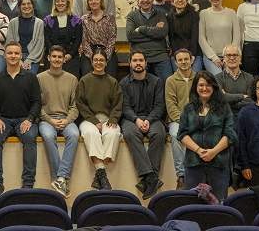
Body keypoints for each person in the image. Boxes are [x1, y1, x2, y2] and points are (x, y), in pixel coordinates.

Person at [0, 41, 42, 201]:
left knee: (31, 137)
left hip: (24, 119)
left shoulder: (31, 78)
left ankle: (28, 183)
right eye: (9, 53)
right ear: (4, 55)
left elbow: (37, 102)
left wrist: (30, 119)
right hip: (2, 120)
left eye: (16, 53)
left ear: (21, 56)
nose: (13, 56)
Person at [177, 71, 236, 202]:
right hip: (194, 162)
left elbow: (230, 134)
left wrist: (213, 152)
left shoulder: (224, 108)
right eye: (201, 85)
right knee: (192, 203)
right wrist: (199, 150)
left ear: (214, 87)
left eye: (208, 85)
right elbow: (182, 134)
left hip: (219, 162)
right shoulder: (188, 108)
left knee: (219, 203)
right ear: (195, 87)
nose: (204, 88)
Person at [75, 47, 124, 191]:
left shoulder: (113, 82)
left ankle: (99, 173)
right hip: (89, 120)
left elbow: (117, 104)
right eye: (96, 60)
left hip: (108, 118)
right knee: (91, 134)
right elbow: (80, 104)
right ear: (91, 61)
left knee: (112, 134)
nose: (98, 62)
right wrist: (94, 121)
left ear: (106, 62)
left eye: (101, 60)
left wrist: (113, 120)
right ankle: (102, 174)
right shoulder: (84, 81)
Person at [120, 50, 166, 199]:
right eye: (135, 60)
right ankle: (152, 178)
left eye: (141, 60)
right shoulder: (124, 83)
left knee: (159, 134)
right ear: (130, 63)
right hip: (131, 119)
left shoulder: (157, 82)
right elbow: (125, 107)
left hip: (153, 118)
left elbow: (160, 106)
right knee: (130, 133)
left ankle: (146, 179)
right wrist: (137, 120)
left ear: (146, 63)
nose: (138, 63)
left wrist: (148, 120)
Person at [37, 46, 80, 197]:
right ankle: (59, 178)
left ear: (64, 59)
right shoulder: (40, 78)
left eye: (59, 57)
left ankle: (61, 177)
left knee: (74, 134)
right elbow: (36, 105)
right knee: (48, 136)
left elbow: (75, 106)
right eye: (54, 56)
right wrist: (50, 120)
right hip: (47, 120)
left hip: (66, 120)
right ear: (48, 58)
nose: (56, 59)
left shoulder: (72, 79)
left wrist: (68, 120)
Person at [166, 49, 196, 190]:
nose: (183, 62)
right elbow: (171, 106)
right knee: (174, 135)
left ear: (192, 60)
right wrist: (184, 121)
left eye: (186, 59)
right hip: (178, 120)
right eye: (180, 60)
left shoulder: (199, 79)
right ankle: (181, 176)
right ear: (176, 62)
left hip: (197, 119)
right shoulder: (170, 81)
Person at [127, 0, 171, 82]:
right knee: (137, 86)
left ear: (152, 0)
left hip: (160, 56)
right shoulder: (132, 16)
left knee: (168, 83)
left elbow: (163, 32)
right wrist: (154, 32)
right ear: (138, 0)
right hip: (139, 57)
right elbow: (130, 35)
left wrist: (141, 29)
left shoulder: (160, 14)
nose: (145, 0)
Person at [198, 0, 240, 74]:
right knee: (218, 77)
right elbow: (202, 39)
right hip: (211, 57)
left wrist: (230, 56)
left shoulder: (231, 13)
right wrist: (214, 58)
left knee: (229, 78)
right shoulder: (204, 14)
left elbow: (237, 37)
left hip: (229, 57)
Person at [79, 0, 118, 77]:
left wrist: (105, 57)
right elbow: (84, 40)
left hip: (107, 52)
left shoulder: (109, 17)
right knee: (87, 78)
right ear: (88, 3)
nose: (93, 2)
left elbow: (112, 38)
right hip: (89, 53)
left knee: (110, 79)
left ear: (101, 1)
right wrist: (93, 58)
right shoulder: (84, 19)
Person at [44, 0, 83, 78]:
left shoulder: (76, 20)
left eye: (62, 0)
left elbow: (78, 39)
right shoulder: (48, 20)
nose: (60, 3)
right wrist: (55, 56)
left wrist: (69, 55)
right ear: (54, 3)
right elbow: (46, 39)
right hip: (53, 56)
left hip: (71, 56)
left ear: (67, 2)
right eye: (57, 1)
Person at [7, 0, 46, 73]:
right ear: (19, 6)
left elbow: (39, 44)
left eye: (28, 3)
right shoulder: (13, 22)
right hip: (15, 57)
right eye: (23, 4)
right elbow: (10, 42)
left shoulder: (39, 23)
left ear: (32, 5)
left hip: (33, 58)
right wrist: (19, 60)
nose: (26, 6)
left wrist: (28, 61)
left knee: (29, 82)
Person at [167, 0, 200, 71]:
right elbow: (172, 39)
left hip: (194, 53)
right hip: (177, 54)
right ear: (172, 1)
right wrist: (178, 56)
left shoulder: (194, 15)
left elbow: (194, 36)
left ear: (186, 0)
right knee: (179, 79)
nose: (179, 0)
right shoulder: (169, 17)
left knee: (194, 78)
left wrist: (191, 56)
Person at [215, 45, 254, 116]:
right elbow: (220, 98)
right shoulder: (218, 78)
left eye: (235, 55)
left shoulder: (249, 77)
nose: (232, 58)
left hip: (245, 116)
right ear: (224, 58)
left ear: (240, 58)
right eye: (228, 55)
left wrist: (229, 101)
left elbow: (252, 100)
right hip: (225, 117)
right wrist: (242, 96)